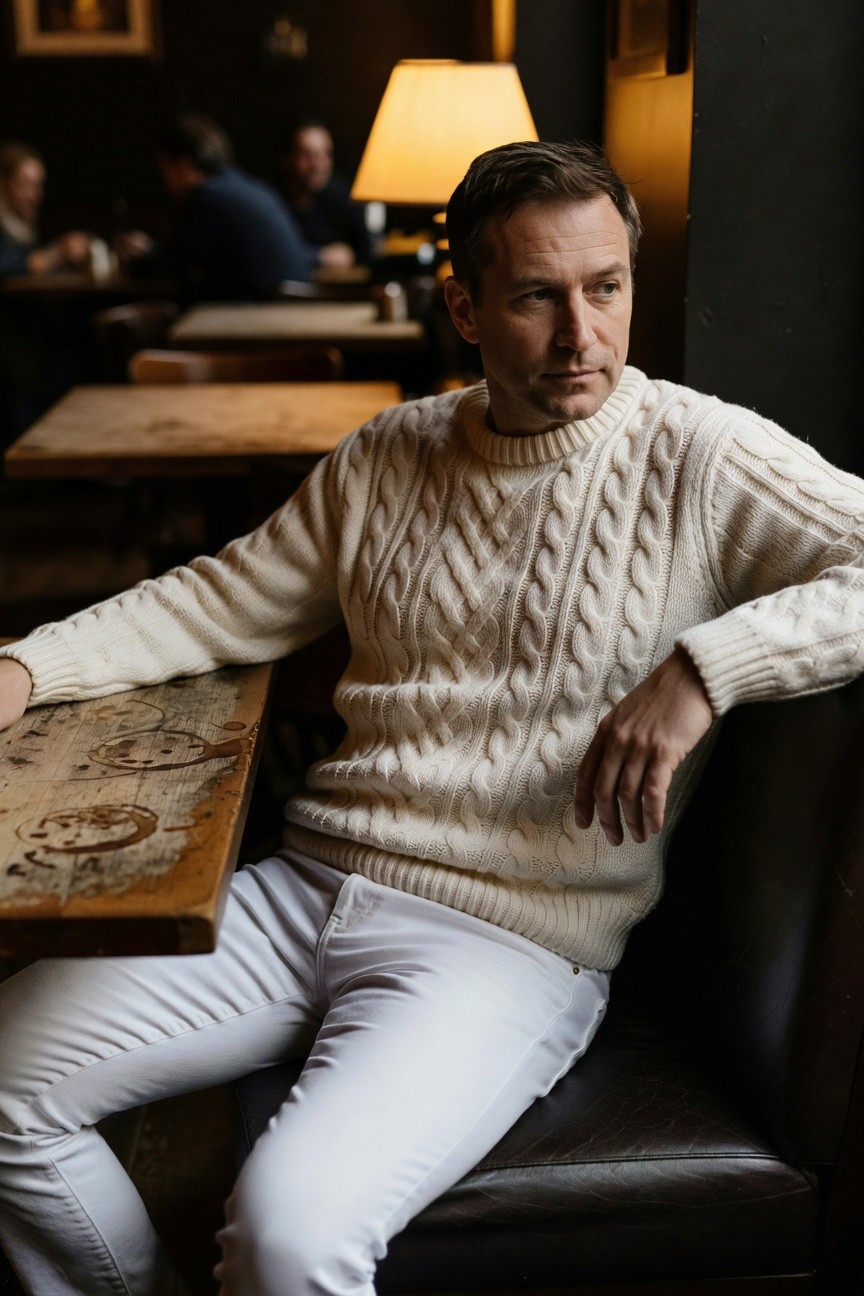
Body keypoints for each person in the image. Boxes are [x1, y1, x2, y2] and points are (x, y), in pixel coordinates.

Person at [0, 138, 862, 1296]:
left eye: (606, 287)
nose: (582, 334)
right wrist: (27, 666)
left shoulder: (701, 454)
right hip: (309, 888)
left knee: (290, 1238)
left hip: (508, 943)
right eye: (537, 296)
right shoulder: (386, 455)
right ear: (464, 307)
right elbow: (215, 602)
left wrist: (709, 668)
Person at [118, 114, 317, 301]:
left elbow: (170, 266)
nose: (165, 181)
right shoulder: (247, 187)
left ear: (182, 164)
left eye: (165, 169)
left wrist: (138, 258)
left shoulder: (207, 198)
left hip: (264, 313)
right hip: (292, 306)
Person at [277, 119, 372, 269]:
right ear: (285, 159)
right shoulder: (270, 201)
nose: (317, 165)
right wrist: (319, 256)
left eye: (325, 154)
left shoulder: (342, 196)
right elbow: (272, 252)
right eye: (307, 155)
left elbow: (367, 250)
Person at [0, 141, 91, 277]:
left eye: (38, 185)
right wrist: (49, 258)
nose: (35, 195)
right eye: (25, 184)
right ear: (4, 183)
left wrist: (60, 251)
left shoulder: (21, 225)